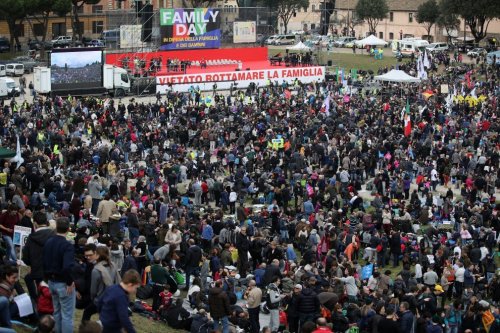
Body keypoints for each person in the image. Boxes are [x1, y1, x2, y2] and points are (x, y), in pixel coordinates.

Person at [42, 217, 75, 333]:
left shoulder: (48, 242)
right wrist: (70, 282)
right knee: (67, 315)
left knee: (57, 311)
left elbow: (44, 261)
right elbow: (67, 267)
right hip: (62, 282)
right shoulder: (67, 246)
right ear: (68, 229)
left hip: (51, 281)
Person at [82, 247, 121, 322]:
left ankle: (85, 329)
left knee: (87, 312)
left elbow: (93, 290)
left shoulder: (96, 270)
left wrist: (93, 298)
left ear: (98, 255)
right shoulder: (113, 265)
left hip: (101, 299)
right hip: (113, 297)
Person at [22, 211, 54, 300]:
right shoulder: (54, 235)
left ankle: (35, 301)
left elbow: (26, 258)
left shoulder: (31, 238)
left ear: (35, 223)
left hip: (37, 271)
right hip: (53, 272)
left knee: (41, 296)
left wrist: (32, 264)